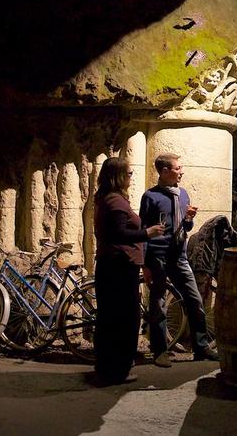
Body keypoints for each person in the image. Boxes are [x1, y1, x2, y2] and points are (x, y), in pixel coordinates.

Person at [139, 152, 219, 367]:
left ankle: (201, 347)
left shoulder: (182, 194)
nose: (181, 171)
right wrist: (145, 264)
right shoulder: (151, 197)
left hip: (179, 256)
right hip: (158, 257)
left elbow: (185, 227)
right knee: (159, 304)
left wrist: (189, 219)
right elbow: (143, 231)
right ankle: (160, 351)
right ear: (165, 171)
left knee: (194, 299)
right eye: (178, 168)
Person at [93, 157, 164, 385]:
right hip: (119, 267)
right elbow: (119, 234)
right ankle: (116, 371)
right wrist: (147, 233)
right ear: (118, 176)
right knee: (124, 319)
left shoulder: (108, 198)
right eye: (129, 174)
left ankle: (108, 369)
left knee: (110, 319)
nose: (131, 178)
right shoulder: (114, 201)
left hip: (114, 265)